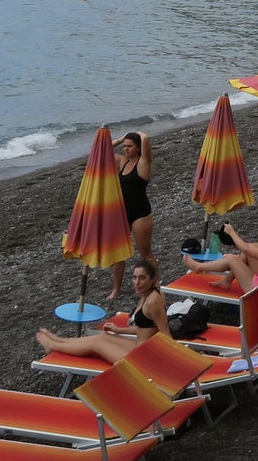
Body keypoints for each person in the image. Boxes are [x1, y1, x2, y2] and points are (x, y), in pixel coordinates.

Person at [36, 257, 169, 361]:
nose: (137, 282)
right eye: (134, 277)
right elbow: (147, 328)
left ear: (153, 279)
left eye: (142, 278)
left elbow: (165, 334)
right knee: (103, 336)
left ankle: (53, 345)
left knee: (96, 344)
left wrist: (166, 365)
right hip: (139, 348)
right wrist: (119, 330)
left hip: (143, 359)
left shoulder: (153, 301)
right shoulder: (148, 293)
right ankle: (60, 339)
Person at [183, 220, 258, 293]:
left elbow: (246, 248)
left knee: (231, 258)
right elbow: (249, 248)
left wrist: (232, 232)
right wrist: (239, 243)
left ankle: (199, 267)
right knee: (247, 253)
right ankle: (227, 281)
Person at [106, 131, 154, 301]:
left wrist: (137, 134)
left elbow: (146, 139)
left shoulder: (144, 162)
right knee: (118, 254)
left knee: (145, 254)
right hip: (122, 214)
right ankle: (116, 289)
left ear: (138, 147)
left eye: (129, 146)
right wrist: (120, 139)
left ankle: (154, 287)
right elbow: (103, 150)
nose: (125, 149)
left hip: (140, 214)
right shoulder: (123, 161)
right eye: (124, 146)